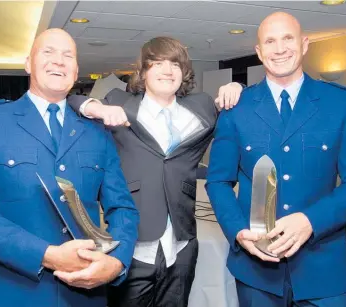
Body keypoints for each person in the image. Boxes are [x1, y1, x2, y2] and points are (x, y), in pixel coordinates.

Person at [66, 36, 244, 307]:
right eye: (157, 63)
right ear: (144, 71)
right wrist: (96, 107)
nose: (167, 70)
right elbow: (70, 101)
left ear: (183, 73)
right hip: (132, 243)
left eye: (175, 64)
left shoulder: (203, 105)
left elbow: (249, 100)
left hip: (182, 243)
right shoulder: (120, 100)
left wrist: (236, 85)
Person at [0, 28, 139, 307]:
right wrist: (46, 254)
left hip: (87, 292)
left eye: (68, 55)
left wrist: (116, 263)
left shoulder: (98, 132)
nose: (58, 61)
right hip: (13, 291)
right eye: (47, 52)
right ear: (28, 63)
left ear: (75, 71)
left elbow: (122, 208)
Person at [206, 12, 346, 307]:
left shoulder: (341, 103)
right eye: (270, 41)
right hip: (257, 271)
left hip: (324, 269)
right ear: (259, 51)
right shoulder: (236, 108)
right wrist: (238, 231)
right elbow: (218, 181)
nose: (279, 49)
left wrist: (309, 221)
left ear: (304, 44)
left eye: (288, 38)